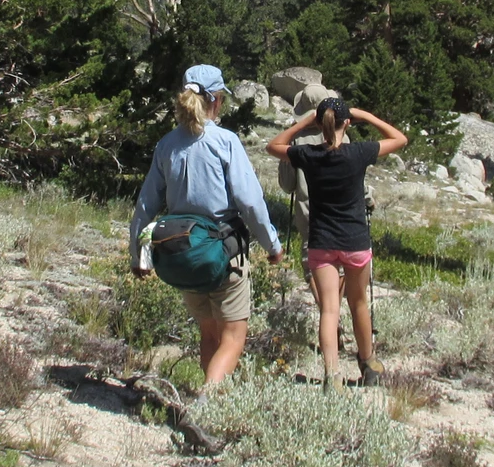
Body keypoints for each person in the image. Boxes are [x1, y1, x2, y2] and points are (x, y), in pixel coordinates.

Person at [130, 65, 283, 386]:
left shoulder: (167, 145)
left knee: (209, 333)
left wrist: (139, 255)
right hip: (224, 251)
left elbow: (146, 205)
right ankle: (206, 404)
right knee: (233, 337)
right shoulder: (224, 141)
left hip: (182, 251)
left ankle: (210, 401)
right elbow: (250, 202)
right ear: (215, 100)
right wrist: (272, 245)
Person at [267, 97, 409, 387]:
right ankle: (369, 364)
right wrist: (367, 115)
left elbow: (273, 147)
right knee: (358, 303)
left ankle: (332, 375)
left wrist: (304, 122)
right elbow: (400, 139)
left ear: (321, 124)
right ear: (347, 123)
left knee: (329, 310)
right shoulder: (359, 152)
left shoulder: (309, 154)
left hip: (322, 241)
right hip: (355, 240)